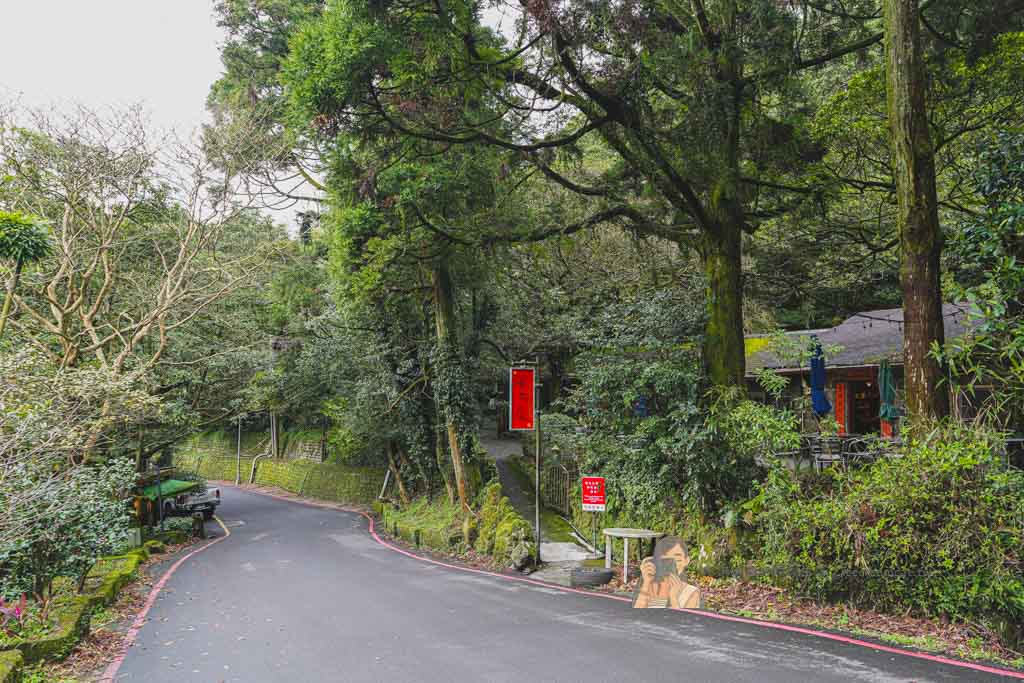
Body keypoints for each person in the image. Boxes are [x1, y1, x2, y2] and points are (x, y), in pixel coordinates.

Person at [632, 536, 702, 609]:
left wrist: (673, 598)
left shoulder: (691, 592)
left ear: (686, 561)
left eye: (678, 560)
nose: (672, 565)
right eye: (666, 561)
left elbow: (683, 619)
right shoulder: (650, 586)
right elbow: (636, 614)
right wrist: (646, 583)